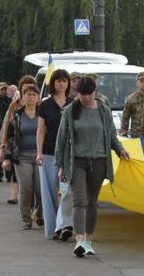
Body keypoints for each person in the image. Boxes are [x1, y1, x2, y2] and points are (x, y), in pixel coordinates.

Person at [54, 76, 130, 257]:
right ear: (77, 93)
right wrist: (61, 166)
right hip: (77, 161)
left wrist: (121, 150)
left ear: (95, 93)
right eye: (83, 94)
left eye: (89, 94)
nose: (86, 98)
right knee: (79, 200)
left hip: (98, 161)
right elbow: (62, 139)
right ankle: (79, 240)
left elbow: (111, 135)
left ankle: (88, 239)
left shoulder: (103, 110)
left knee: (92, 202)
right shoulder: (70, 111)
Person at [37, 69, 72, 240]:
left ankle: (64, 225)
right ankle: (52, 229)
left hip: (68, 154)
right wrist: (39, 152)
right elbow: (41, 130)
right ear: (53, 83)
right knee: (50, 192)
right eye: (58, 81)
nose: (61, 84)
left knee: (67, 191)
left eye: (65, 81)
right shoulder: (45, 104)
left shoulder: (73, 103)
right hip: (49, 152)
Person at [1, 84, 42, 226]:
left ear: (38, 98)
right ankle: (26, 218)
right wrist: (7, 157)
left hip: (40, 157)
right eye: (28, 94)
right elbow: (10, 137)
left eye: (33, 95)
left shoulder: (42, 114)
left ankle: (40, 213)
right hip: (22, 157)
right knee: (26, 188)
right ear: (22, 96)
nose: (30, 97)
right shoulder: (17, 115)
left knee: (40, 189)